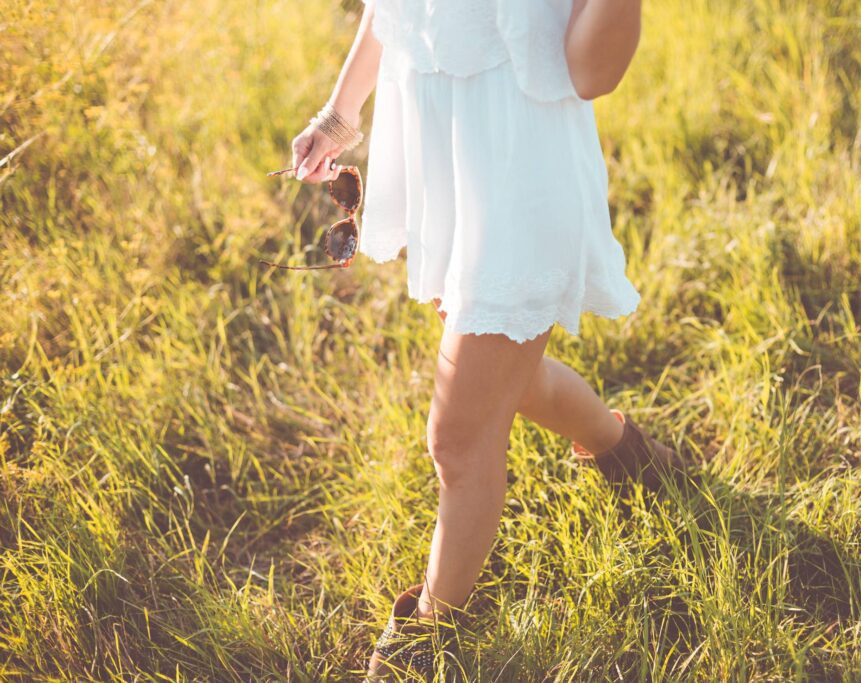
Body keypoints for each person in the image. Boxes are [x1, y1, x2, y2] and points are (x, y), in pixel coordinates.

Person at [287, 0, 689, 678]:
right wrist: (340, 112)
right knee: (511, 378)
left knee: (459, 435)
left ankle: (426, 641)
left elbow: (593, 71)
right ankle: (629, 454)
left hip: (518, 177)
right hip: (445, 163)